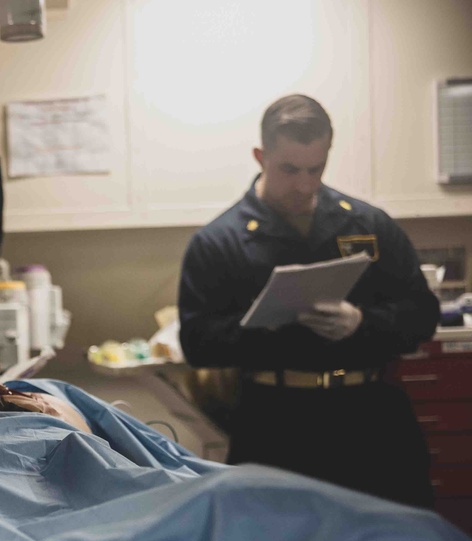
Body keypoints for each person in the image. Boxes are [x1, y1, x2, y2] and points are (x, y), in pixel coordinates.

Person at [178, 94, 438, 508]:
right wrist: (269, 322)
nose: (304, 184)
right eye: (289, 169)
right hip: (277, 423)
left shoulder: (368, 224)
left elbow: (422, 315)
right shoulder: (219, 242)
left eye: (315, 169)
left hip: (372, 419)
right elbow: (197, 343)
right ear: (260, 156)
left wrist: (361, 322)